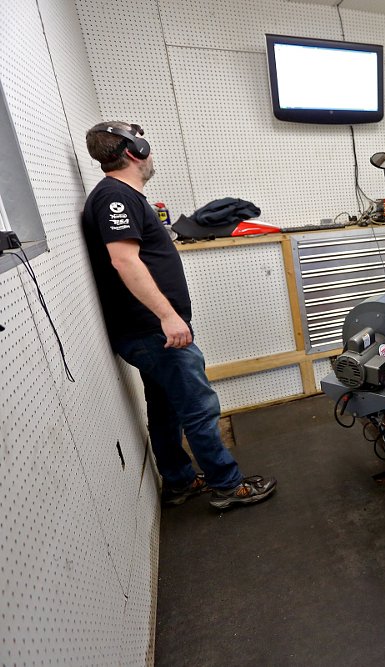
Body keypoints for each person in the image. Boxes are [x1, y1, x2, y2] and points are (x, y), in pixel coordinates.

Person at [81, 121, 276, 510]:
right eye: (146, 147)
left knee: (166, 409)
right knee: (199, 407)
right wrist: (168, 317)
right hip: (154, 330)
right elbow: (124, 259)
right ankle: (226, 485)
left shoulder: (120, 196)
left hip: (147, 330)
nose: (150, 154)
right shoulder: (114, 198)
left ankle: (179, 481)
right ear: (136, 151)